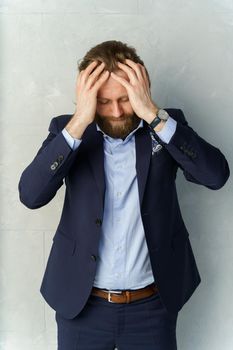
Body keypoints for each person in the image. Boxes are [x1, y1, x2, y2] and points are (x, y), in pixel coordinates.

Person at [18, 40, 230, 350]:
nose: (116, 111)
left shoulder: (167, 125)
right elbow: (30, 194)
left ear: (140, 90)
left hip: (152, 308)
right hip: (81, 306)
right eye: (103, 101)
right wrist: (79, 121)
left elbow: (215, 176)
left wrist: (153, 115)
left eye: (124, 99)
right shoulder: (69, 130)